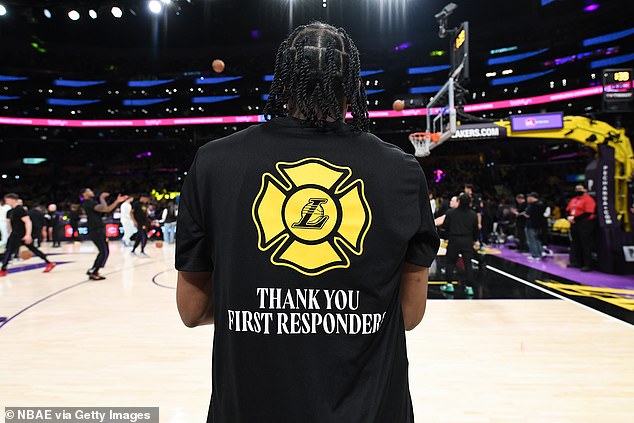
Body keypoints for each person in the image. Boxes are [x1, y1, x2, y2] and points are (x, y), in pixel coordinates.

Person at [175, 22, 440, 423]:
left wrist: (260, 307)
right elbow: (408, 313)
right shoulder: (402, 172)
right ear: (352, 87)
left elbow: (192, 310)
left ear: (281, 84)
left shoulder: (214, 164)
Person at [1, 193, 56, 277]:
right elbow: (10, 224)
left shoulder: (20, 210)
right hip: (15, 234)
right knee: (31, 249)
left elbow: (28, 221)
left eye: (7, 200)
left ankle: (3, 270)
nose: (6, 202)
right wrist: (9, 233)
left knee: (9, 251)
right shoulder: (10, 211)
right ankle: (49, 263)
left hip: (20, 234)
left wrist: (28, 235)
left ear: (11, 199)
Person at [81, 188, 128, 280]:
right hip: (96, 229)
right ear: (84, 194)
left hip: (98, 228)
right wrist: (102, 198)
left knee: (104, 251)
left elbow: (107, 209)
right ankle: (93, 270)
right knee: (103, 251)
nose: (92, 191)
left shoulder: (90, 202)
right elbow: (104, 208)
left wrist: (117, 201)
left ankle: (94, 270)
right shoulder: (88, 202)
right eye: (89, 190)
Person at [440, 194, 479, 296]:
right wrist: (475, 240)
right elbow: (476, 230)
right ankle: (469, 287)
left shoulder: (450, 213)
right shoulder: (473, 215)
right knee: (468, 264)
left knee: (450, 263)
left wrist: (447, 236)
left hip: (454, 239)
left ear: (459, 201)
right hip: (467, 241)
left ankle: (449, 284)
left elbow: (445, 227)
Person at [566, 184, 596, 272]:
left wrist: (575, 219)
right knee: (575, 243)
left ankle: (588, 265)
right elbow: (568, 210)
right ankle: (576, 262)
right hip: (574, 224)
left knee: (585, 244)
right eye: (577, 189)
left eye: (580, 189)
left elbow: (588, 213)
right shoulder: (573, 199)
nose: (578, 190)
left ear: (585, 190)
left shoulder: (589, 200)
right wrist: (569, 217)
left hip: (584, 224)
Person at [523, 192, 546, 261]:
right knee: (537, 239)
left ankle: (535, 255)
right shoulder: (541, 204)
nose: (527, 199)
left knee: (531, 240)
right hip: (539, 224)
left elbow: (527, 215)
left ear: (532, 197)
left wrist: (525, 213)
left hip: (531, 224)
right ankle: (541, 252)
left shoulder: (532, 205)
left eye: (528, 197)